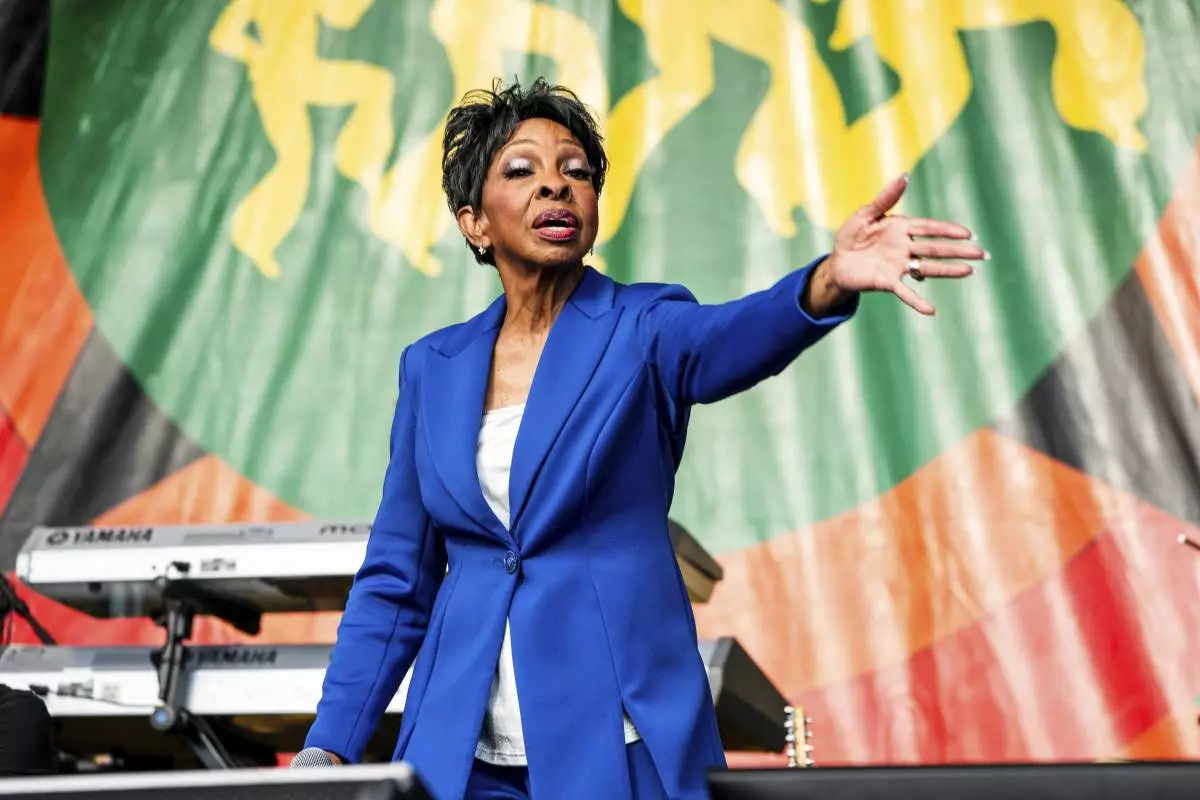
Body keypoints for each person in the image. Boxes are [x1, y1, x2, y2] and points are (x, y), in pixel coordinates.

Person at [303, 77, 985, 800]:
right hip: (460, 752)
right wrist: (330, 742)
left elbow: (729, 338)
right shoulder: (431, 369)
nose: (555, 188)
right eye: (522, 171)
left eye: (576, 172)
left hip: (612, 738)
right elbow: (397, 583)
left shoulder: (644, 328)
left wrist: (825, 282)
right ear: (475, 223)